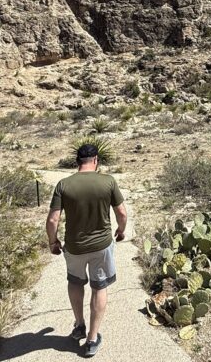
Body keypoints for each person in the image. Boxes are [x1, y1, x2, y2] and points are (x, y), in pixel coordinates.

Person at [46, 143, 127, 357]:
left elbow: (53, 219)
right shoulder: (108, 181)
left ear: (77, 162)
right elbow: (122, 213)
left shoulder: (64, 184)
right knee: (99, 287)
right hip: (101, 245)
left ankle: (79, 324)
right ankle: (92, 339)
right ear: (96, 161)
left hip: (74, 246)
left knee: (75, 282)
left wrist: (53, 242)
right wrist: (121, 230)